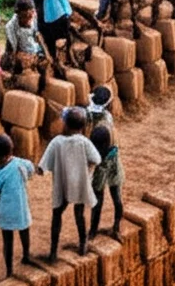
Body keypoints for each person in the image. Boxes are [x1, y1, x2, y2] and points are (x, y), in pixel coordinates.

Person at [37, 107, 101, 260]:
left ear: (65, 124)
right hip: (80, 183)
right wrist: (87, 172)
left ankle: (53, 253)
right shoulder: (84, 142)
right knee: (79, 214)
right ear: (83, 126)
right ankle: (83, 244)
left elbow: (41, 168)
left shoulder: (57, 142)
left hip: (62, 184)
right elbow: (96, 159)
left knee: (57, 214)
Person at [0, 134, 35, 278]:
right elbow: (31, 168)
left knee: (8, 241)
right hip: (22, 208)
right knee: (24, 232)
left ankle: (9, 270)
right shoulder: (19, 163)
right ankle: (26, 256)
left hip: (5, 212)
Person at [6, 0, 56, 92]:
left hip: (34, 50)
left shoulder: (33, 17)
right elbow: (12, 49)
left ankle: (43, 88)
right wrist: (17, 61)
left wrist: (47, 54)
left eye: (31, 15)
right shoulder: (11, 27)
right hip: (21, 52)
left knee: (47, 63)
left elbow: (38, 36)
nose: (29, 19)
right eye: (25, 16)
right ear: (19, 14)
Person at [88, 124, 124, 242]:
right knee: (99, 203)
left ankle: (115, 228)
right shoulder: (103, 148)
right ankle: (94, 230)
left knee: (116, 200)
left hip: (113, 170)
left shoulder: (112, 153)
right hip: (104, 171)